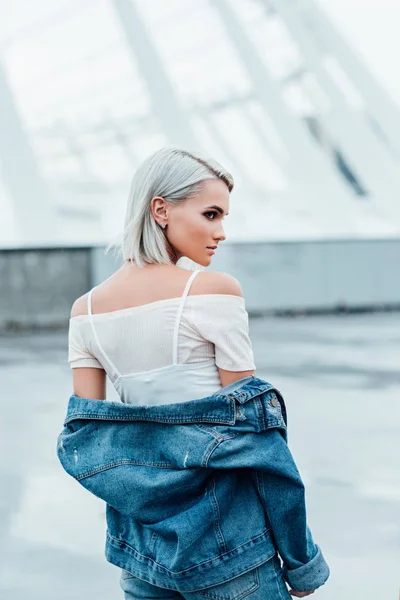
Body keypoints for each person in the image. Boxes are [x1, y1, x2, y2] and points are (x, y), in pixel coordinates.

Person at [66, 148, 328, 598]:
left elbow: (87, 440)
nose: (220, 233)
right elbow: (257, 440)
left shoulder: (85, 310)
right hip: (230, 544)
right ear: (161, 209)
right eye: (210, 214)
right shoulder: (213, 291)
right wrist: (300, 558)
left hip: (142, 552)